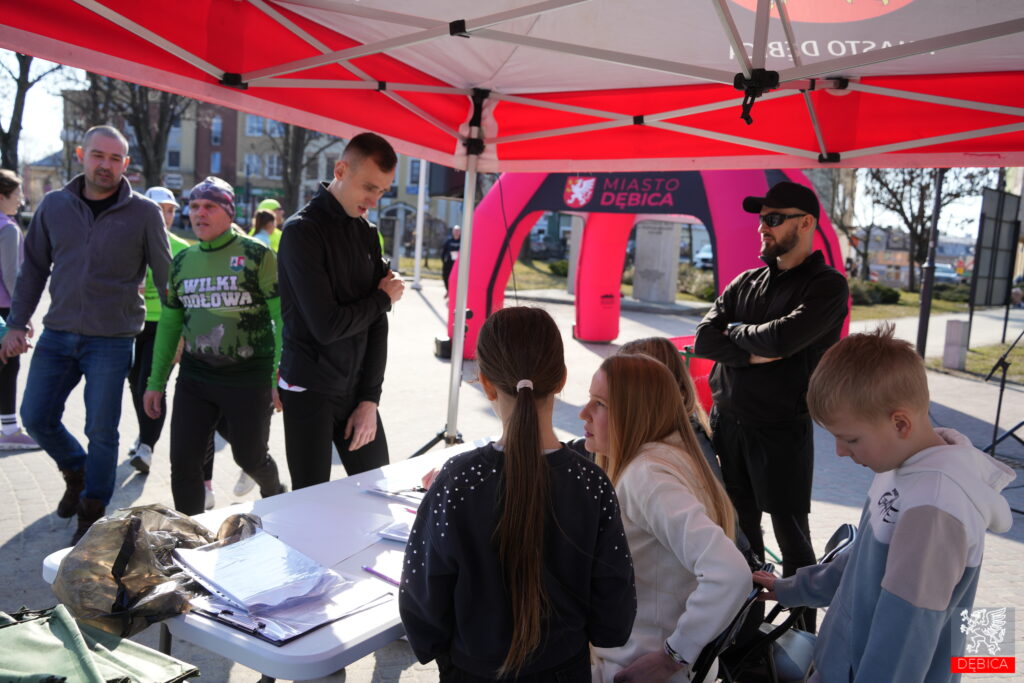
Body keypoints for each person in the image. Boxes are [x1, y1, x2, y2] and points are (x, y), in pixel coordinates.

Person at [753, 325, 1015, 682]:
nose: (840, 452)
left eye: (850, 439)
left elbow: (905, 638)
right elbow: (860, 561)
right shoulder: (900, 464)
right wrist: (792, 587)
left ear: (900, 423)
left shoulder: (935, 509)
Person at [399, 307, 636, 681]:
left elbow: (422, 598)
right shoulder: (592, 483)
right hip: (566, 672)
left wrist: (448, 656)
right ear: (561, 379)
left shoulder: (458, 481)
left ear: (485, 384)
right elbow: (614, 615)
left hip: (472, 672)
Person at [1, 125, 171, 543]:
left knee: (102, 430)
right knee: (36, 416)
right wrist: (17, 323)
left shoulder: (144, 213)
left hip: (112, 339)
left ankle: (92, 511)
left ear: (125, 164)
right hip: (57, 333)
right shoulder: (55, 205)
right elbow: (33, 268)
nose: (105, 165)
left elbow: (167, 277)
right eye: (98, 155)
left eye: (115, 158)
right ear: (81, 155)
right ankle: (76, 470)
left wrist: (181, 330)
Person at [693, 181, 849, 589]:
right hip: (727, 424)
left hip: (780, 429)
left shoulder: (826, 285)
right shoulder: (745, 282)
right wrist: (753, 350)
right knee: (738, 539)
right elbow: (704, 339)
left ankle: (802, 625)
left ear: (806, 223)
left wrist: (736, 332)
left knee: (793, 544)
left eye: (774, 219)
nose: (763, 227)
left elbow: (781, 340)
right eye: (762, 219)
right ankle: (746, 622)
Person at [583, 354, 750, 683]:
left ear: (634, 412)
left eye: (599, 404)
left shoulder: (647, 475)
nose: (583, 412)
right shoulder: (667, 455)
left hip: (633, 667)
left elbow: (730, 572)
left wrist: (673, 656)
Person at [143, 177, 284, 516]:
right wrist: (155, 382)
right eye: (194, 207)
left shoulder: (258, 255)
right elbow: (170, 325)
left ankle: (274, 491)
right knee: (183, 462)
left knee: (249, 457)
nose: (199, 213)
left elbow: (283, 318)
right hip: (196, 376)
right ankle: (191, 532)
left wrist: (279, 375)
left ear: (229, 212)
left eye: (209, 206)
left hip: (249, 376)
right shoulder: (182, 261)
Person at [277, 132, 404, 489]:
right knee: (311, 503)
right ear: (341, 170)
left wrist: (370, 400)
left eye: (383, 191)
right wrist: (382, 299)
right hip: (308, 389)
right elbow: (327, 326)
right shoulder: (301, 232)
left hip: (355, 391)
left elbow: (377, 325)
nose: (374, 201)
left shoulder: (367, 233)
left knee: (378, 494)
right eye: (369, 187)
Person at [125, 187, 190, 473]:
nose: (166, 215)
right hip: (132, 323)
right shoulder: (129, 242)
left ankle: (147, 448)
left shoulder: (182, 248)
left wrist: (184, 335)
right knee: (134, 382)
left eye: (171, 210)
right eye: (160, 209)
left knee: (151, 385)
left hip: (166, 326)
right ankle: (145, 434)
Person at [0, 169, 38, 449]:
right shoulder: (8, 228)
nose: (21, 200)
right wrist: (22, 316)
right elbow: (11, 276)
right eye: (17, 194)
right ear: (1, 196)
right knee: (8, 365)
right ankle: (10, 430)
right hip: (5, 310)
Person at [440, 225, 461, 297]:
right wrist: (443, 261)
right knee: (446, 277)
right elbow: (443, 252)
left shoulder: (462, 242)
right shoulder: (448, 241)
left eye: (458, 231)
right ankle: (448, 290)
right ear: (453, 232)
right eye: (455, 231)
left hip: (458, 264)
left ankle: (454, 292)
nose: (456, 232)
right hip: (449, 263)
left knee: (457, 279)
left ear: (460, 232)